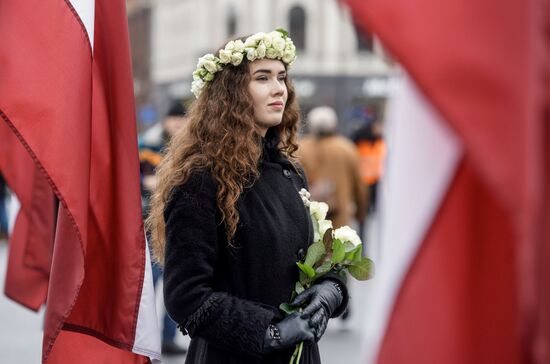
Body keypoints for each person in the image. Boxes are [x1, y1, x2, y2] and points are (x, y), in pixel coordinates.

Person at [146, 29, 349, 364]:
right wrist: (271, 332)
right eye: (262, 77)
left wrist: (330, 291)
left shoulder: (290, 171)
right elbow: (186, 295)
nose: (278, 89)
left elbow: (315, 257)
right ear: (232, 92)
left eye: (281, 77)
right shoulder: (201, 178)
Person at [139, 101, 188, 355]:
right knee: (149, 282)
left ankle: (168, 337)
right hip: (151, 219)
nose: (178, 124)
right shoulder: (148, 144)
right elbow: (136, 175)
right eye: (174, 119)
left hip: (178, 222)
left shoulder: (190, 146)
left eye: (182, 120)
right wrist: (147, 181)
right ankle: (144, 339)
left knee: (174, 283)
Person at [296, 106, 366, 230]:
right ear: (334, 125)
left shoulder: (300, 149)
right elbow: (359, 186)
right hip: (340, 222)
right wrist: (361, 213)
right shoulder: (347, 148)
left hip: (310, 222)